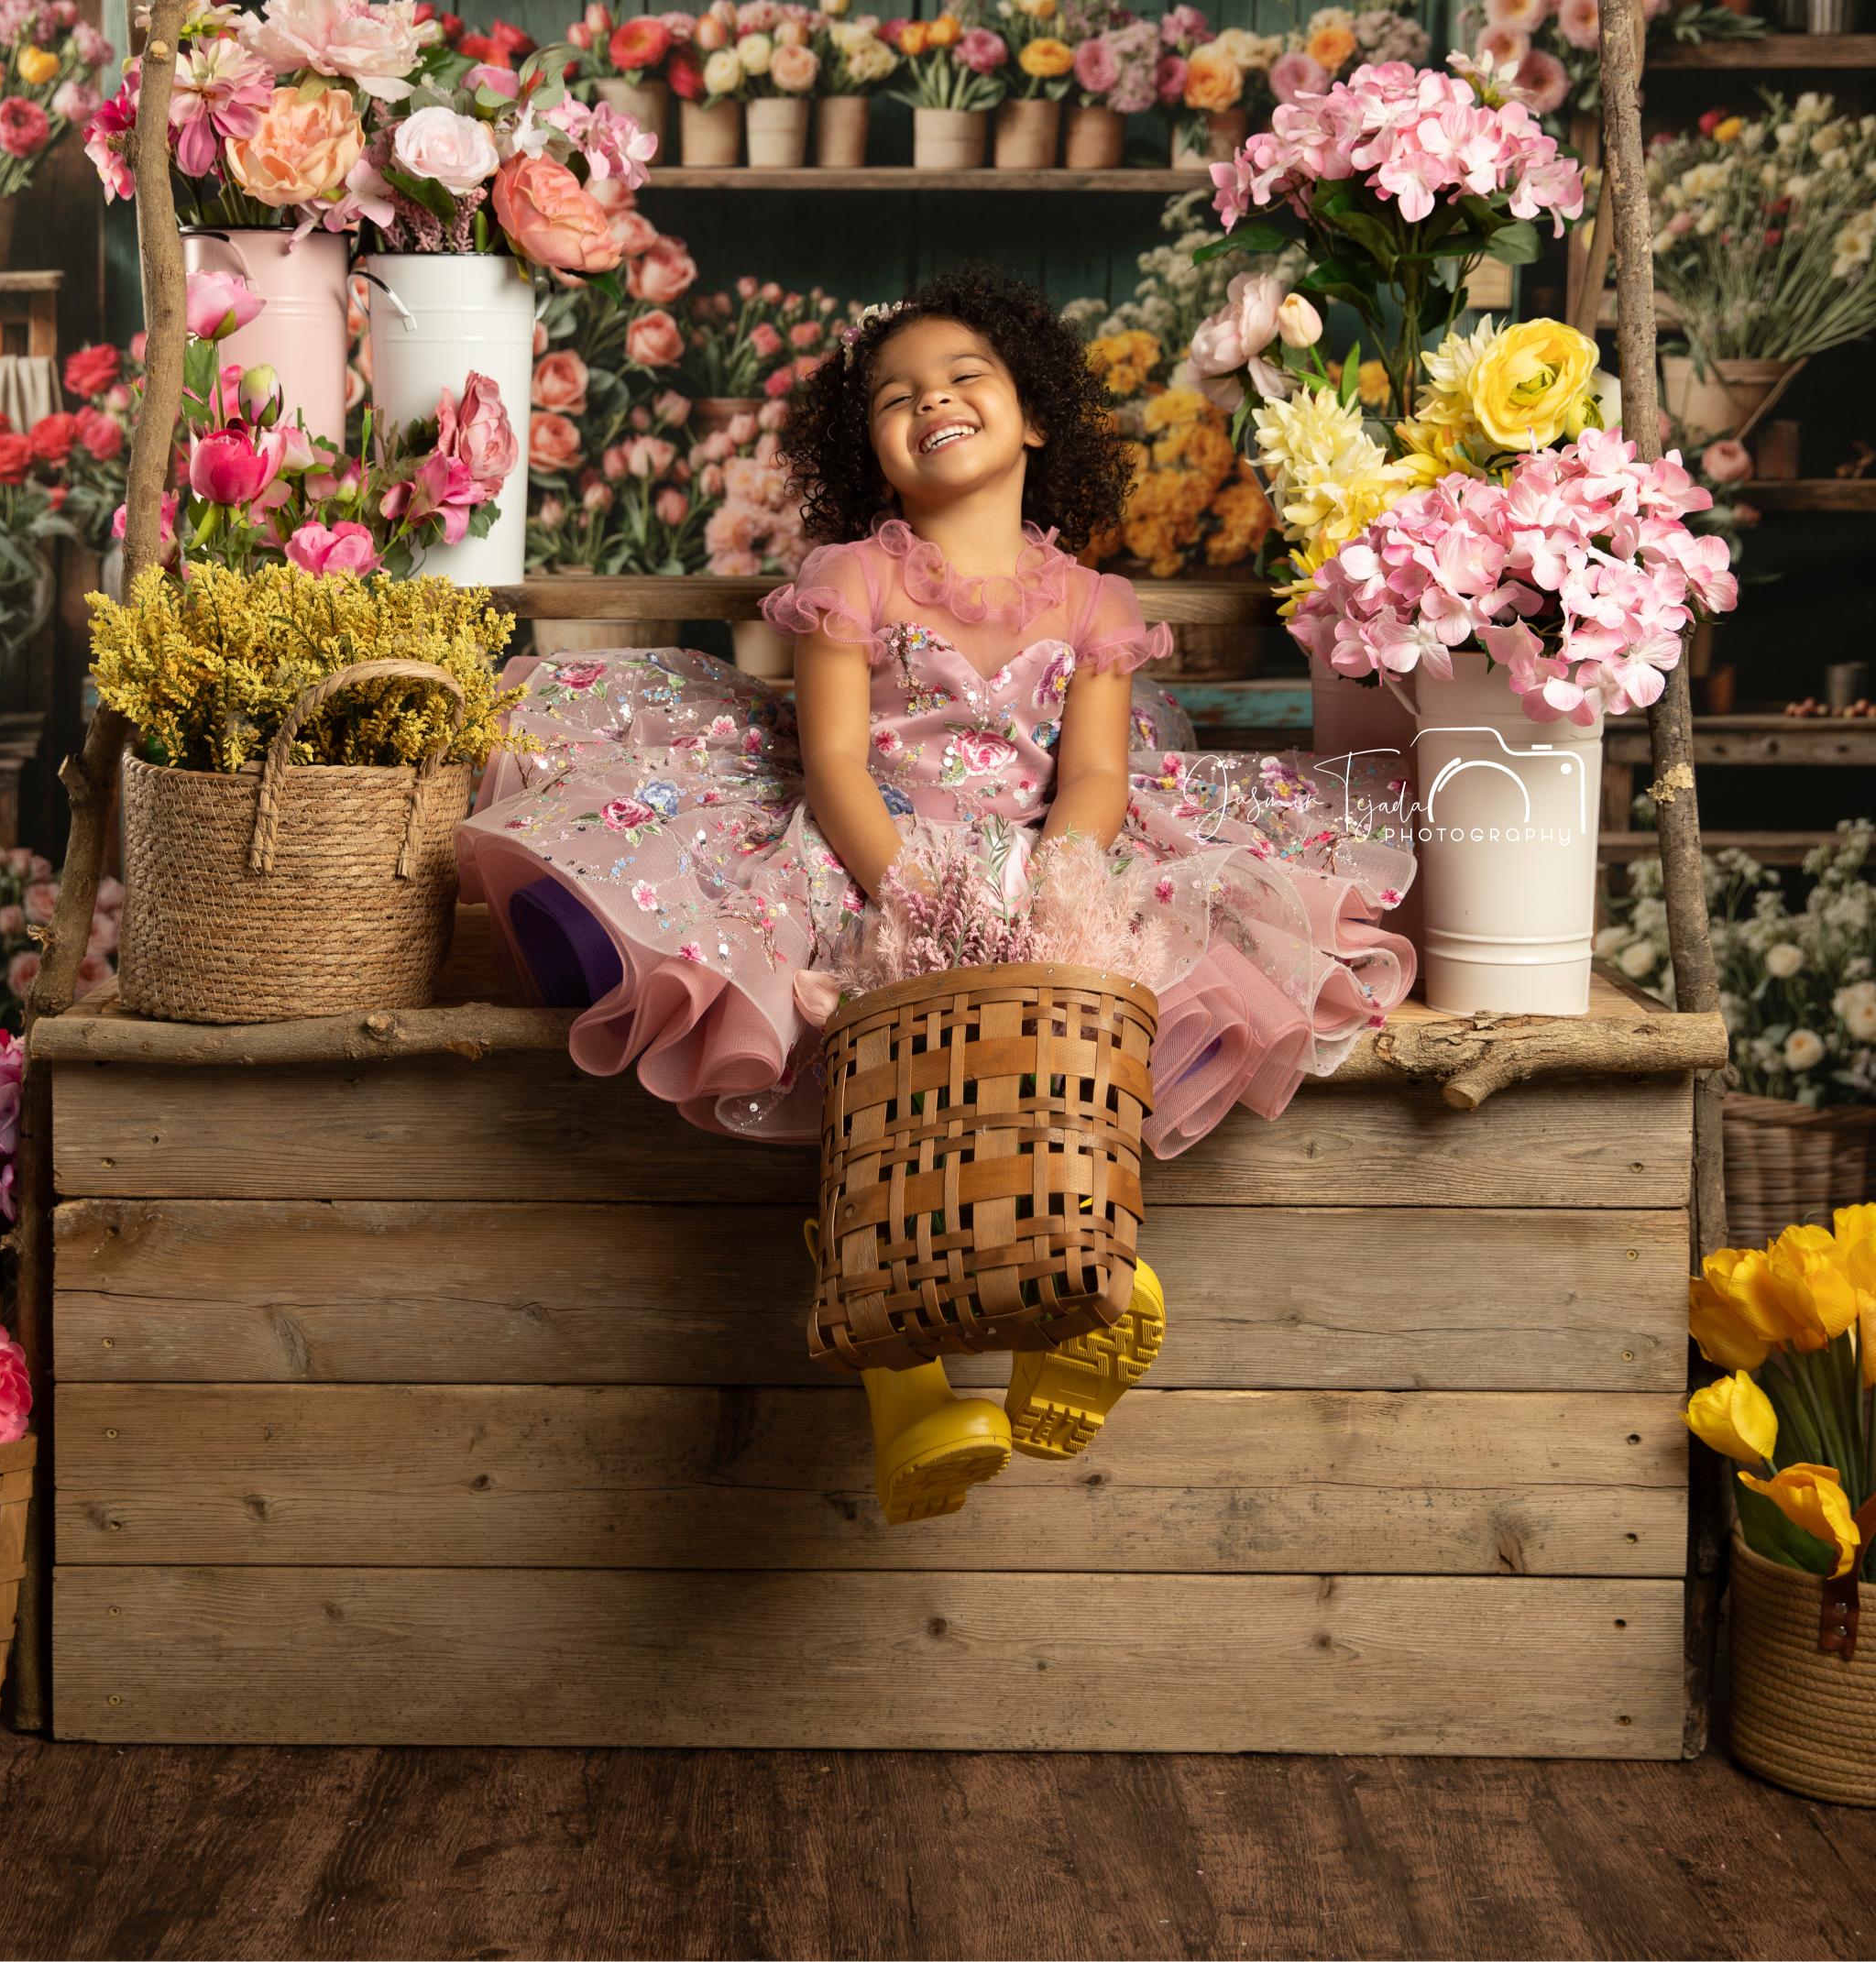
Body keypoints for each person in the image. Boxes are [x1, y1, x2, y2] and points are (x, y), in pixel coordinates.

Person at [458, 268, 1415, 1522]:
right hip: (871, 845)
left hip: (1033, 845)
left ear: (1034, 419)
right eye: (897, 395)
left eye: (968, 377)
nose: (934, 401)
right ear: (871, 451)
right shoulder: (854, 579)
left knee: (1091, 1009)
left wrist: (1053, 872)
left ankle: (1088, 1283)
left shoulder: (1089, 604)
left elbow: (1095, 775)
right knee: (864, 1051)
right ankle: (905, 1385)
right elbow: (839, 759)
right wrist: (907, 881)